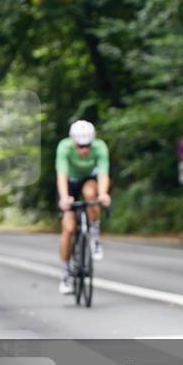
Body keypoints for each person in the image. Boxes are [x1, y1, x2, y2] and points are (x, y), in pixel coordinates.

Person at [56, 120, 111, 295]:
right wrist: (64, 198)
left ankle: (94, 236)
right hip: (69, 185)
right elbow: (61, 174)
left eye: (87, 145)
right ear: (73, 142)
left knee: (91, 195)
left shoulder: (100, 147)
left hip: (88, 181)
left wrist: (103, 194)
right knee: (69, 228)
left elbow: (103, 173)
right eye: (80, 146)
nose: (84, 150)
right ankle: (65, 273)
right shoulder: (64, 147)